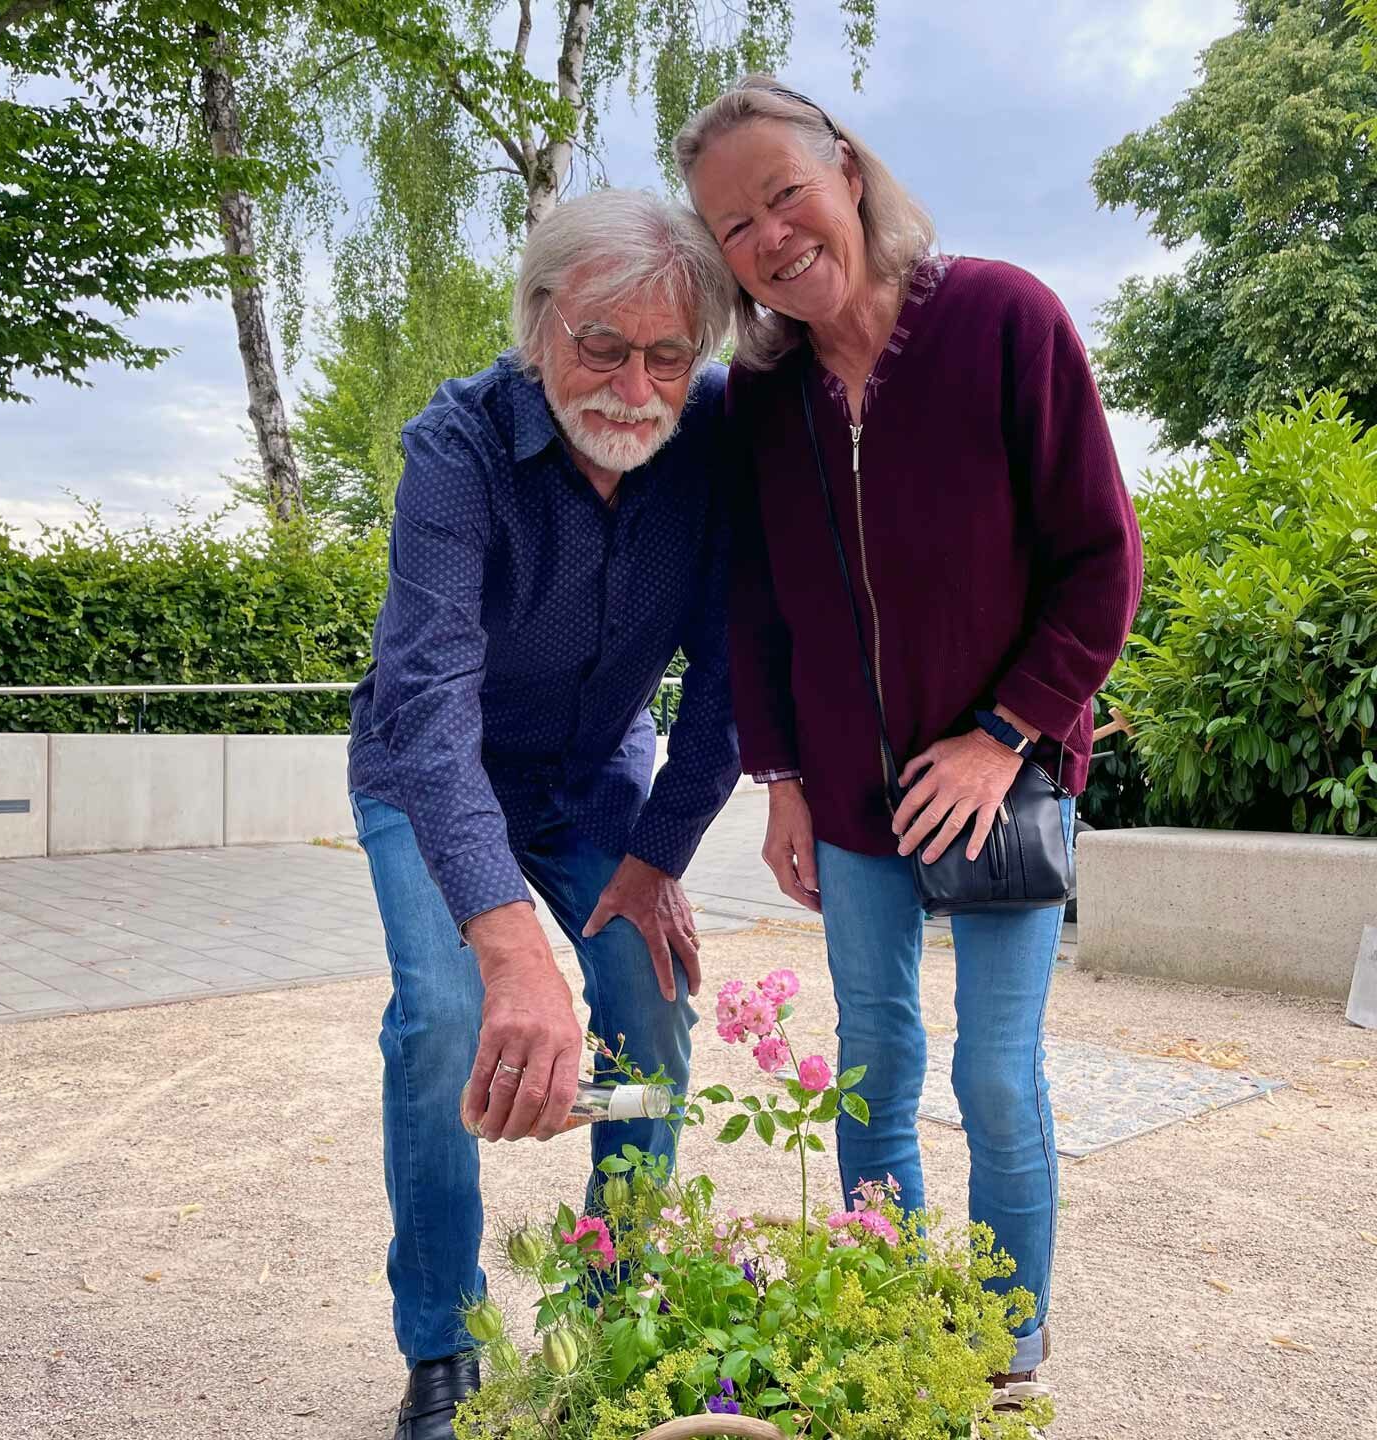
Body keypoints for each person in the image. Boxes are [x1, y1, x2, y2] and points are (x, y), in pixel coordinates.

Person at [675, 77, 1143, 1413]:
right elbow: (755, 600)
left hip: (1000, 785)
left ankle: (1006, 1343)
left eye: (783, 193)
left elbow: (1103, 567)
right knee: (874, 1065)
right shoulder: (761, 399)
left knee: (998, 1074)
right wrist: (775, 778)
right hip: (845, 797)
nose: (770, 235)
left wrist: (1003, 735)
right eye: (735, 226)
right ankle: (888, 1315)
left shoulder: (1004, 320)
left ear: (849, 172)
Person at [346, 188, 741, 1440]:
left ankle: (611, 1311)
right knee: (449, 1011)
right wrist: (509, 940)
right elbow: (424, 691)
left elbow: (734, 683)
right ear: (538, 325)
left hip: (595, 775)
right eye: (601, 345)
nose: (633, 384)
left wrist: (657, 856)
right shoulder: (455, 444)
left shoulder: (720, 442)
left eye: (667, 354)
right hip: (431, 770)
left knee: (651, 1002)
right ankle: (445, 1346)